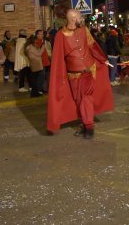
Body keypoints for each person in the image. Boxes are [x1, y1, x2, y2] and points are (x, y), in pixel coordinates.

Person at [47, 9, 114, 139]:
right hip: (73, 75)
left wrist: (103, 59)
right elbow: (58, 57)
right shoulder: (60, 35)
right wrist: (58, 76)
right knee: (78, 101)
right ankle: (85, 124)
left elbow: (92, 46)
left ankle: (89, 127)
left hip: (88, 71)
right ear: (73, 18)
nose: (81, 18)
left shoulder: (84, 30)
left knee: (86, 98)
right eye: (79, 16)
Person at [26, 32, 46, 97]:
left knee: (35, 79)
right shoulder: (30, 47)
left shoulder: (32, 46)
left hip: (36, 64)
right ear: (33, 40)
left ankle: (35, 92)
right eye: (36, 40)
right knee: (35, 80)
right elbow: (39, 53)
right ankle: (34, 93)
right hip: (35, 65)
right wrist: (43, 46)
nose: (37, 41)